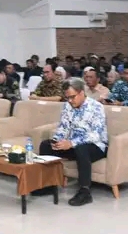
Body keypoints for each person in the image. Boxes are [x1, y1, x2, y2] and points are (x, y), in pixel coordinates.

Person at [35, 78, 108, 207]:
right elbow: (63, 127)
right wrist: (57, 140)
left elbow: (95, 135)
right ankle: (48, 185)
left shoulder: (96, 107)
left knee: (81, 148)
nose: (69, 100)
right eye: (67, 97)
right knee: (46, 145)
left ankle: (85, 192)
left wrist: (71, 143)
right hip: (73, 144)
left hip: (96, 146)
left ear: (81, 93)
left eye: (72, 97)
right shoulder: (67, 106)